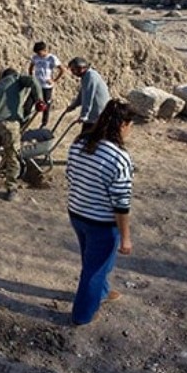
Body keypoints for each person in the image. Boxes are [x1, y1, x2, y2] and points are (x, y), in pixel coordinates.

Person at [65, 98, 136, 325]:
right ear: (123, 125)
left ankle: (102, 293)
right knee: (94, 270)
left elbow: (70, 175)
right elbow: (121, 204)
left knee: (94, 260)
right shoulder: (119, 158)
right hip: (101, 223)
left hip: (77, 213)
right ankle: (82, 315)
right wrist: (125, 237)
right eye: (131, 126)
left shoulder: (80, 143)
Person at [0, 67, 43, 201]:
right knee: (12, 156)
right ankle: (11, 189)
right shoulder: (17, 79)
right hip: (10, 124)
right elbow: (33, 80)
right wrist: (39, 100)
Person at [63, 56, 110, 131]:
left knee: (87, 138)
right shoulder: (86, 76)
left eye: (73, 70)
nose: (72, 72)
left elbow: (88, 97)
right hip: (96, 113)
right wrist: (73, 105)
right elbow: (82, 94)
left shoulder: (90, 77)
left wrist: (84, 115)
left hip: (98, 114)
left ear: (81, 68)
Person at [27, 41, 64, 128]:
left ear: (44, 50)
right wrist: (32, 78)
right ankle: (24, 121)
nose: (38, 55)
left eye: (40, 53)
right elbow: (31, 68)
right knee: (28, 104)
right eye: (37, 53)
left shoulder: (52, 58)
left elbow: (62, 70)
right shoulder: (35, 57)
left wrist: (54, 80)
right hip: (36, 85)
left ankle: (44, 123)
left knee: (45, 106)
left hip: (47, 87)